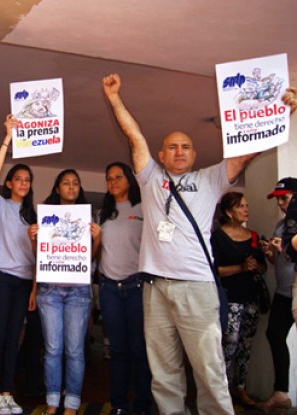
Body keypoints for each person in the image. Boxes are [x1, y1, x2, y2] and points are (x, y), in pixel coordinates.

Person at [102, 73, 261, 415]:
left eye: (185, 146)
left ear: (194, 153)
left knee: (209, 369)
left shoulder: (211, 178)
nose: (179, 151)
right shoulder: (150, 178)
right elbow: (134, 136)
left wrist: (283, 112)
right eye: (172, 146)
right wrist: (115, 99)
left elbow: (247, 151)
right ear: (161, 154)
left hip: (197, 287)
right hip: (155, 288)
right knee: (164, 373)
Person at [28, 169, 97, 415]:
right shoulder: (45, 217)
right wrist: (33, 238)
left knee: (75, 350)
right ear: (57, 189)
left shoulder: (88, 220)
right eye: (65, 183)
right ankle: (53, 400)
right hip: (50, 291)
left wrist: (97, 240)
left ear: (79, 188)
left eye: (75, 183)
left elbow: (91, 259)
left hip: (78, 291)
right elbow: (41, 258)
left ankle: (72, 403)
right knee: (53, 348)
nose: (71, 187)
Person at [0, 114, 37, 415]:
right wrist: (8, 137)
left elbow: (37, 259)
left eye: (27, 180)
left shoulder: (33, 218)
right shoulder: (0, 205)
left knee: (13, 335)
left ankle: (7, 391)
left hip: (23, 283)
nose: (22, 183)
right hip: (3, 278)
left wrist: (33, 289)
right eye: (17, 178)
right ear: (10, 183)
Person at [93, 162, 151, 415]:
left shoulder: (144, 209)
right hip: (109, 288)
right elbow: (93, 255)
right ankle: (118, 405)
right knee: (117, 350)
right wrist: (94, 238)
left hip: (136, 286)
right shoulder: (102, 215)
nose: (113, 181)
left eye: (118, 176)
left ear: (130, 179)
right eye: (109, 178)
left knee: (139, 348)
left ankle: (141, 405)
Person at [210, 192, 267, 406]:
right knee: (229, 343)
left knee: (246, 344)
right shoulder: (218, 237)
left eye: (246, 205)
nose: (246, 209)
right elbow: (214, 271)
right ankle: (220, 390)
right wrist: (241, 267)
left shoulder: (252, 236)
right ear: (228, 211)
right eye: (241, 206)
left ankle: (239, 388)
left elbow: (263, 267)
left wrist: (257, 265)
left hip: (251, 298)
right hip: (230, 298)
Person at [255, 178, 297, 413]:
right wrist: (270, 252)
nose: (280, 203)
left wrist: (284, 250)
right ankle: (281, 393)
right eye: (278, 199)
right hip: (283, 291)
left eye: (285, 198)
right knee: (274, 334)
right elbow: (278, 259)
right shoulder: (281, 226)